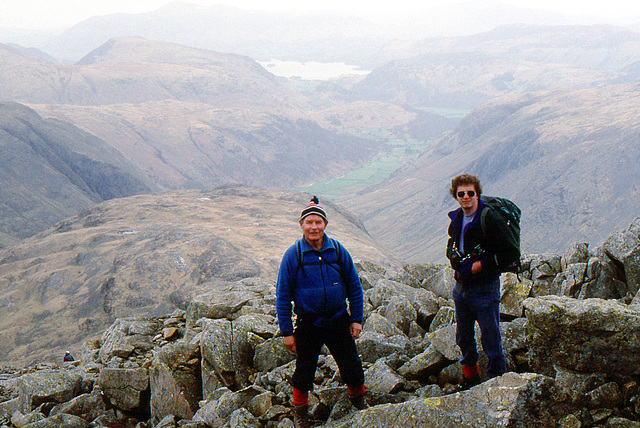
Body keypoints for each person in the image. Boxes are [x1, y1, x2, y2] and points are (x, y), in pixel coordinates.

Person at [276, 196, 367, 427]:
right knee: (305, 368)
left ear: (325, 224)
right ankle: (301, 413)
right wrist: (287, 331)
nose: (314, 227)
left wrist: (356, 319)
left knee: (350, 363)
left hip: (338, 319)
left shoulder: (337, 250)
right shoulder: (293, 255)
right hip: (309, 322)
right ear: (301, 225)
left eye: (318, 222)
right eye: (309, 222)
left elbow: (354, 286)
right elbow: (283, 296)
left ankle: (358, 400)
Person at [445, 174, 507, 393]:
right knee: (463, 337)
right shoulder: (457, 219)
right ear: (456, 196)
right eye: (461, 194)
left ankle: (496, 385)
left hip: (485, 288)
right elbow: (452, 245)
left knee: (490, 338)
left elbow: (508, 253)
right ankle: (470, 380)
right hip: (461, 288)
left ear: (477, 193)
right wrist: (456, 261)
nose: (466, 197)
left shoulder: (489, 218)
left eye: (470, 193)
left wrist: (479, 266)